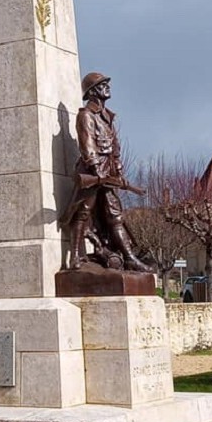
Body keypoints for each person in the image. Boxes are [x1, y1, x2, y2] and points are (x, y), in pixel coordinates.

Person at [62, 72, 151, 273]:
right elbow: (87, 145)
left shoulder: (107, 116)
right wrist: (96, 171)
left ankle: (129, 258)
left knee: (115, 215)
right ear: (93, 91)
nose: (108, 87)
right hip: (93, 174)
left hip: (108, 173)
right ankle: (75, 256)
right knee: (83, 212)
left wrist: (117, 170)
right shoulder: (86, 115)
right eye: (103, 85)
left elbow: (115, 146)